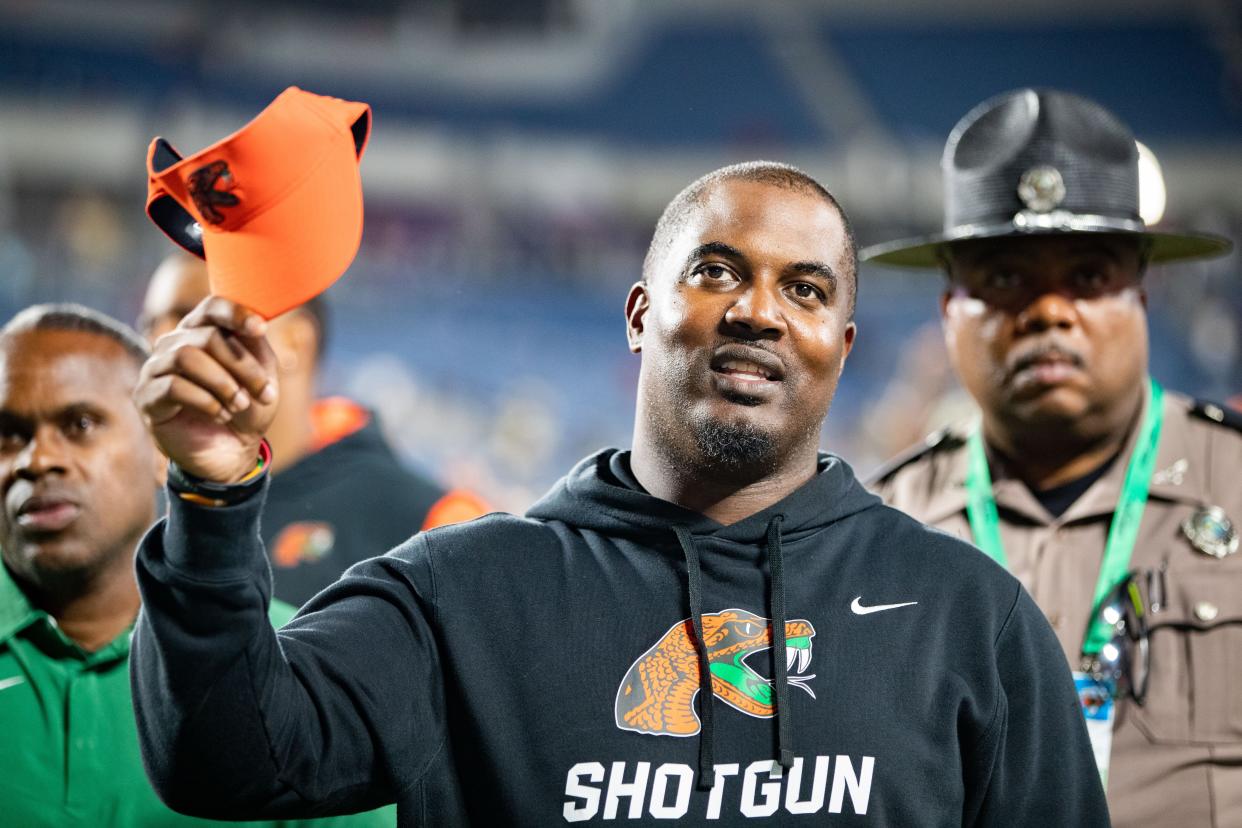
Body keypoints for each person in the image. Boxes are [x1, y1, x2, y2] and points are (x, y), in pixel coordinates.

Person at [129, 162, 1108, 825]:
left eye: (806, 290)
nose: (759, 311)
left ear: (841, 349)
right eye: (716, 271)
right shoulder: (460, 594)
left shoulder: (966, 618)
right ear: (641, 316)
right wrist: (211, 503)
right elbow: (225, 757)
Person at [865, 88, 1239, 827]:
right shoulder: (879, 533)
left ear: (1143, 293)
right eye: (1004, 279)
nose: (1048, 309)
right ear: (949, 314)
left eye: (1090, 275)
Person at [0, 304, 392, 827]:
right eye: (8, 434)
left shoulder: (292, 660)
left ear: (164, 450)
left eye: (81, 424)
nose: (36, 459)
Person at [138, 252, 487, 606]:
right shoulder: (136, 503)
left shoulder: (435, 522)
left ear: (294, 342)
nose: (164, 344)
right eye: (150, 325)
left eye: (196, 316)